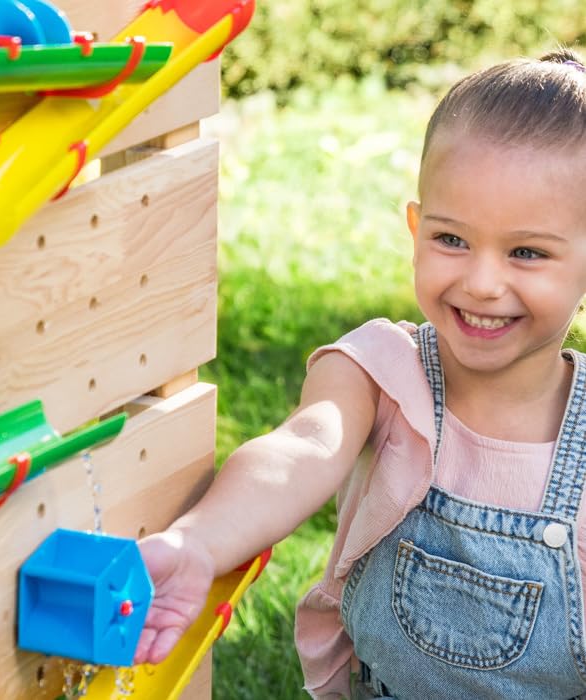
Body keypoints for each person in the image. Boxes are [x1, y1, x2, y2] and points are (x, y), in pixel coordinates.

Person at [135, 47, 586, 699]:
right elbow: (301, 450)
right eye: (451, 239)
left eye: (527, 252)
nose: (482, 282)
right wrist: (198, 544)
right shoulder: (382, 370)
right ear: (415, 227)